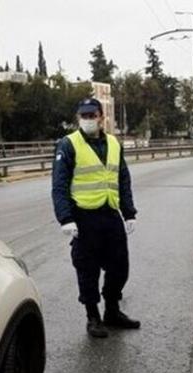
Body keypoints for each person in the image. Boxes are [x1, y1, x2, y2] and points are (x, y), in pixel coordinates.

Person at [51, 98, 141, 338]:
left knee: (119, 266)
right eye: (84, 116)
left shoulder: (113, 143)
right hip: (83, 217)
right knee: (87, 269)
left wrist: (129, 212)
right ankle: (93, 317)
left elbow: (122, 179)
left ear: (102, 117)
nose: (88, 120)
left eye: (92, 116)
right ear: (78, 118)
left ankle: (112, 310)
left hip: (110, 214)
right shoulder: (68, 144)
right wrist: (66, 218)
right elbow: (59, 186)